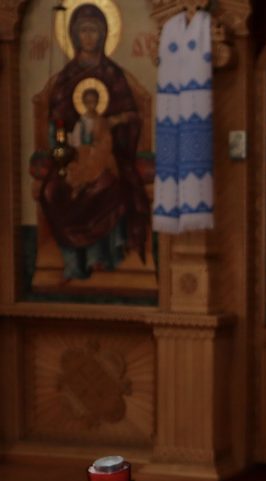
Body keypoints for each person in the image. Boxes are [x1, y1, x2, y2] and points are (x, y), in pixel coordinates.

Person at [37, 3, 150, 280]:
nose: (89, 36)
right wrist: (63, 143)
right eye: (83, 30)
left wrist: (114, 125)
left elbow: (132, 117)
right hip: (72, 157)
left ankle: (102, 256)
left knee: (108, 186)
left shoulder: (114, 75)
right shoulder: (65, 78)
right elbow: (57, 121)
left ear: (104, 33)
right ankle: (73, 262)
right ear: (74, 35)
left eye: (94, 30)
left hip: (109, 154)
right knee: (52, 191)